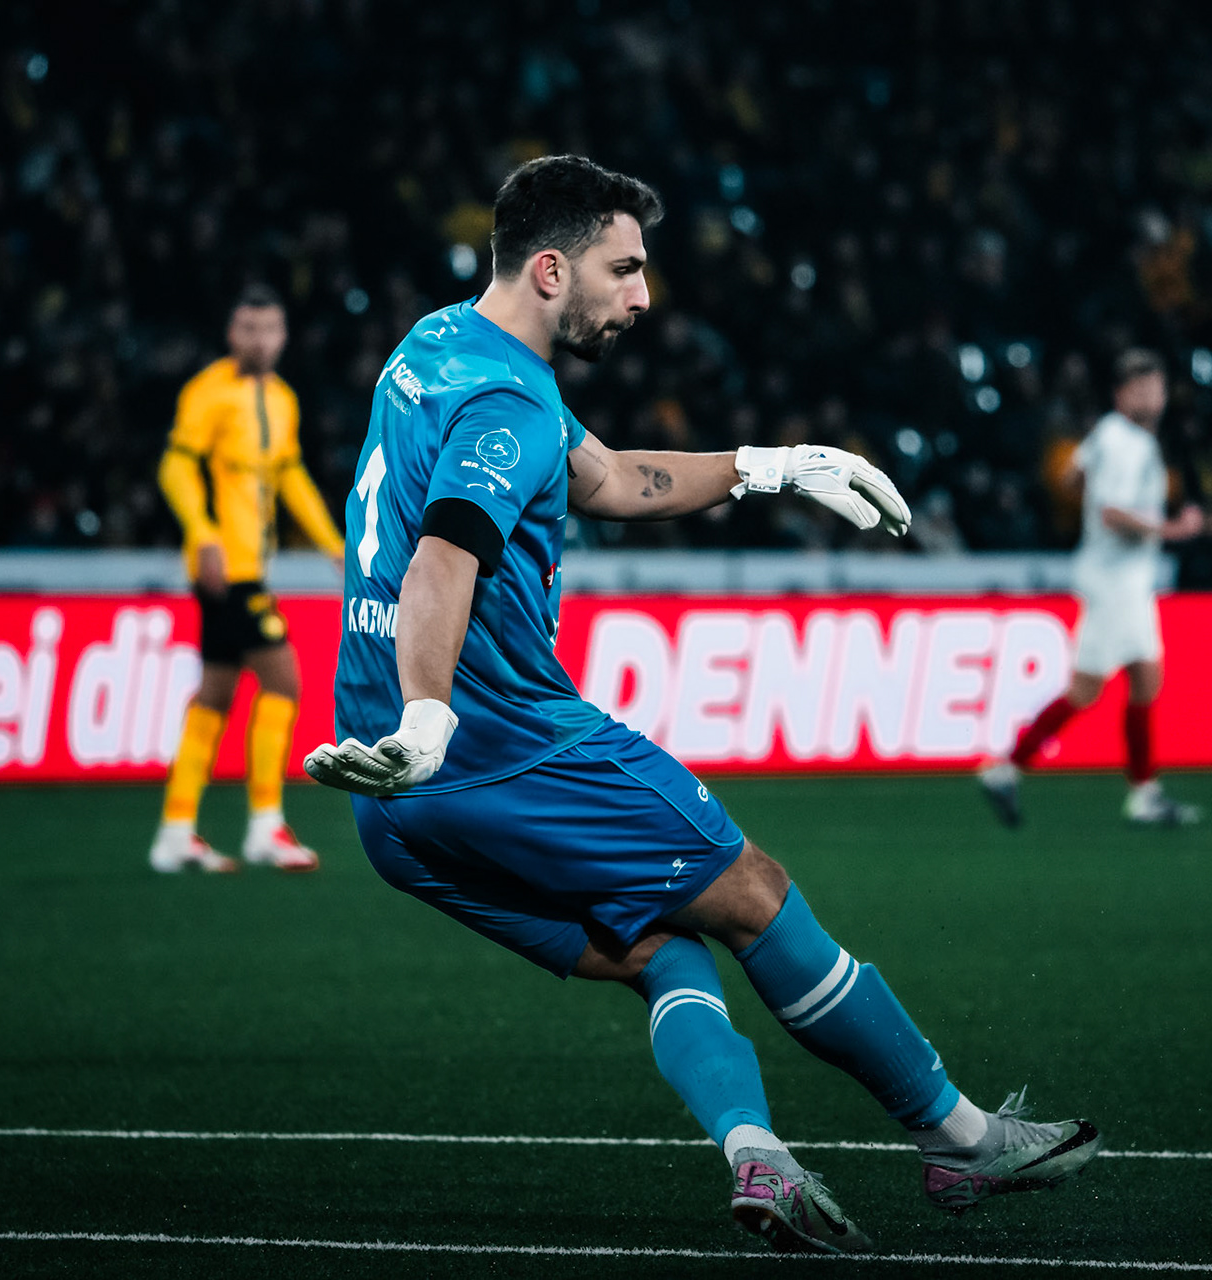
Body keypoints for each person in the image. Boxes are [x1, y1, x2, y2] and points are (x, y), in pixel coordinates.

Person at [303, 155, 1100, 1254]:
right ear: (549, 269)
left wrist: (777, 464)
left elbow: (614, 479)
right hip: (503, 750)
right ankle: (959, 1135)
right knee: (756, 894)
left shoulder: (435, 348)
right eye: (622, 269)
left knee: (658, 946)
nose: (642, 295)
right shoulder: (510, 403)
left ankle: (756, 1156)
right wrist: (431, 716)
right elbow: (447, 555)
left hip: (396, 810)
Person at [151, 285, 346, 873]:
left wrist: (335, 546)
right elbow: (176, 464)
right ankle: (265, 825)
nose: (259, 340)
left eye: (269, 329)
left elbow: (290, 478)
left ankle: (176, 832)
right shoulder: (208, 393)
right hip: (226, 570)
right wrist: (203, 532)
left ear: (283, 336)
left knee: (213, 696)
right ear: (231, 334)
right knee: (284, 682)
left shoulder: (282, 400)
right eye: (248, 328)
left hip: (244, 570)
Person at [979, 349, 1205, 828]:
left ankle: (1142, 790)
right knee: (1088, 689)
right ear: (1122, 395)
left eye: (1157, 387)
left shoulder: (1108, 433)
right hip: (1116, 581)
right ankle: (1007, 768)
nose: (1153, 396)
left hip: (1119, 578)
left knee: (1143, 679)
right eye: (1142, 388)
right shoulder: (1129, 444)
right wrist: (1173, 530)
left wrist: (1087, 483)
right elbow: (1110, 513)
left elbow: (1070, 475)